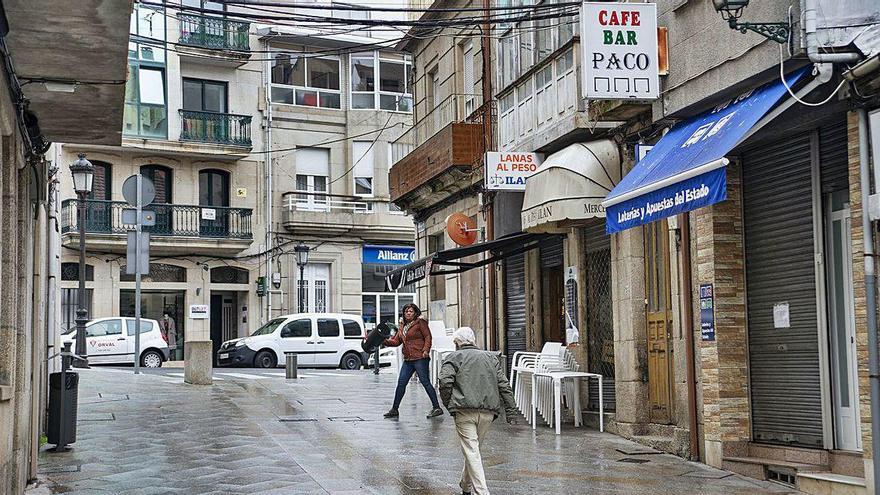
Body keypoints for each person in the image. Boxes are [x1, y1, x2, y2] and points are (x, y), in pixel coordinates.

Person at [438, 327, 517, 495]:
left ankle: (482, 492)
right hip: (488, 412)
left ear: (456, 343)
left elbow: (444, 382)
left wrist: (449, 404)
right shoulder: (490, 358)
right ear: (473, 340)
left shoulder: (453, 357)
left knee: (472, 451)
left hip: (464, 411)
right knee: (473, 450)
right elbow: (504, 385)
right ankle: (466, 487)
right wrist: (510, 411)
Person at [382, 303, 443, 419]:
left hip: (420, 358)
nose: (408, 313)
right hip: (408, 359)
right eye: (406, 311)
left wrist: (426, 350)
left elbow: (428, 337)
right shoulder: (402, 326)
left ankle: (437, 407)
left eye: (411, 311)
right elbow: (396, 341)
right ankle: (394, 409)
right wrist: (383, 341)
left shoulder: (420, 323)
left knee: (425, 382)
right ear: (404, 313)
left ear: (415, 313)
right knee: (401, 383)